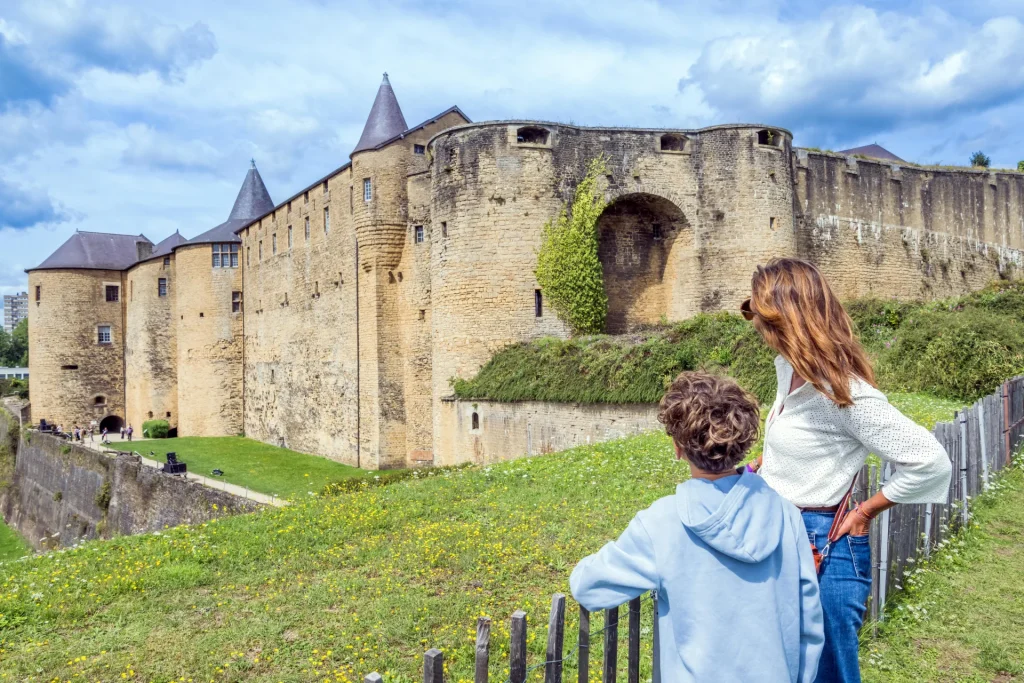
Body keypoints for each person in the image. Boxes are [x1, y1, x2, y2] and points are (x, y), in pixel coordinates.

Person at [742, 258, 952, 683]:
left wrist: (865, 511)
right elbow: (816, 443)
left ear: (787, 318)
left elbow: (930, 460)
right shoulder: (790, 372)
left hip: (824, 543)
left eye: (761, 316)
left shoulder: (844, 392)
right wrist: (770, 462)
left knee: (828, 673)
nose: (757, 327)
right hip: (782, 533)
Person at [570, 372, 824, 683]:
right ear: (744, 442)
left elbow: (588, 588)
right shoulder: (786, 515)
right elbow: (810, 623)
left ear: (678, 447)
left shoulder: (660, 523)